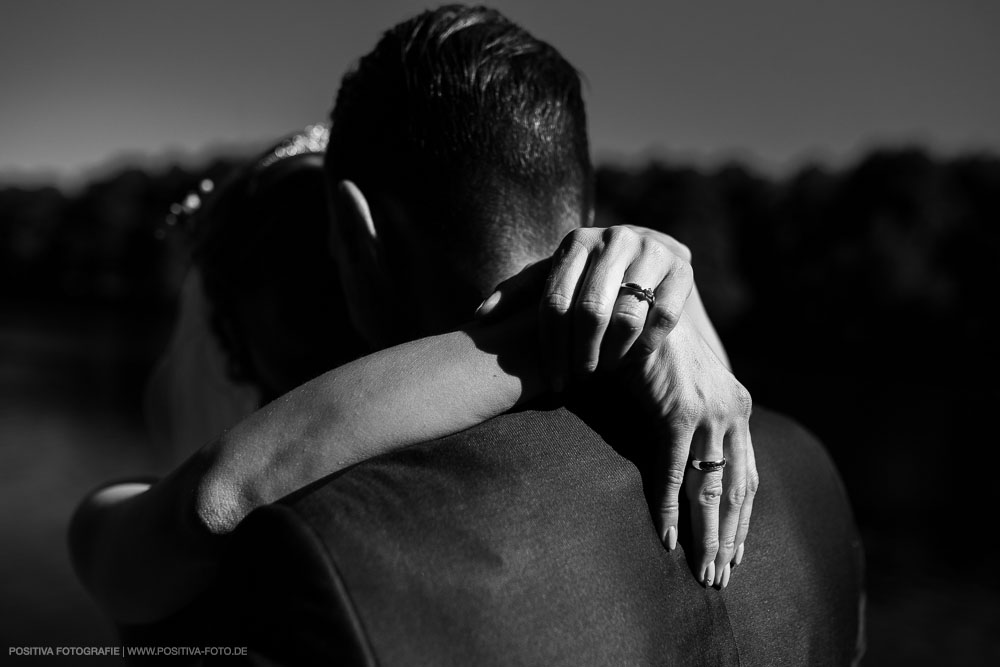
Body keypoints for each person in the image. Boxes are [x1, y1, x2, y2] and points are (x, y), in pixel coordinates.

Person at [195, 5, 864, 665]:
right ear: (590, 203)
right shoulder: (809, 471)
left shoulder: (330, 549)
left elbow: (204, 510)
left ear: (352, 230)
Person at [69, 125, 742, 629]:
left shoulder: (447, 461)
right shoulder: (114, 518)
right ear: (231, 329)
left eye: (338, 259)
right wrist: (633, 326)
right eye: (301, 271)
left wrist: (645, 300)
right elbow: (217, 499)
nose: (337, 293)